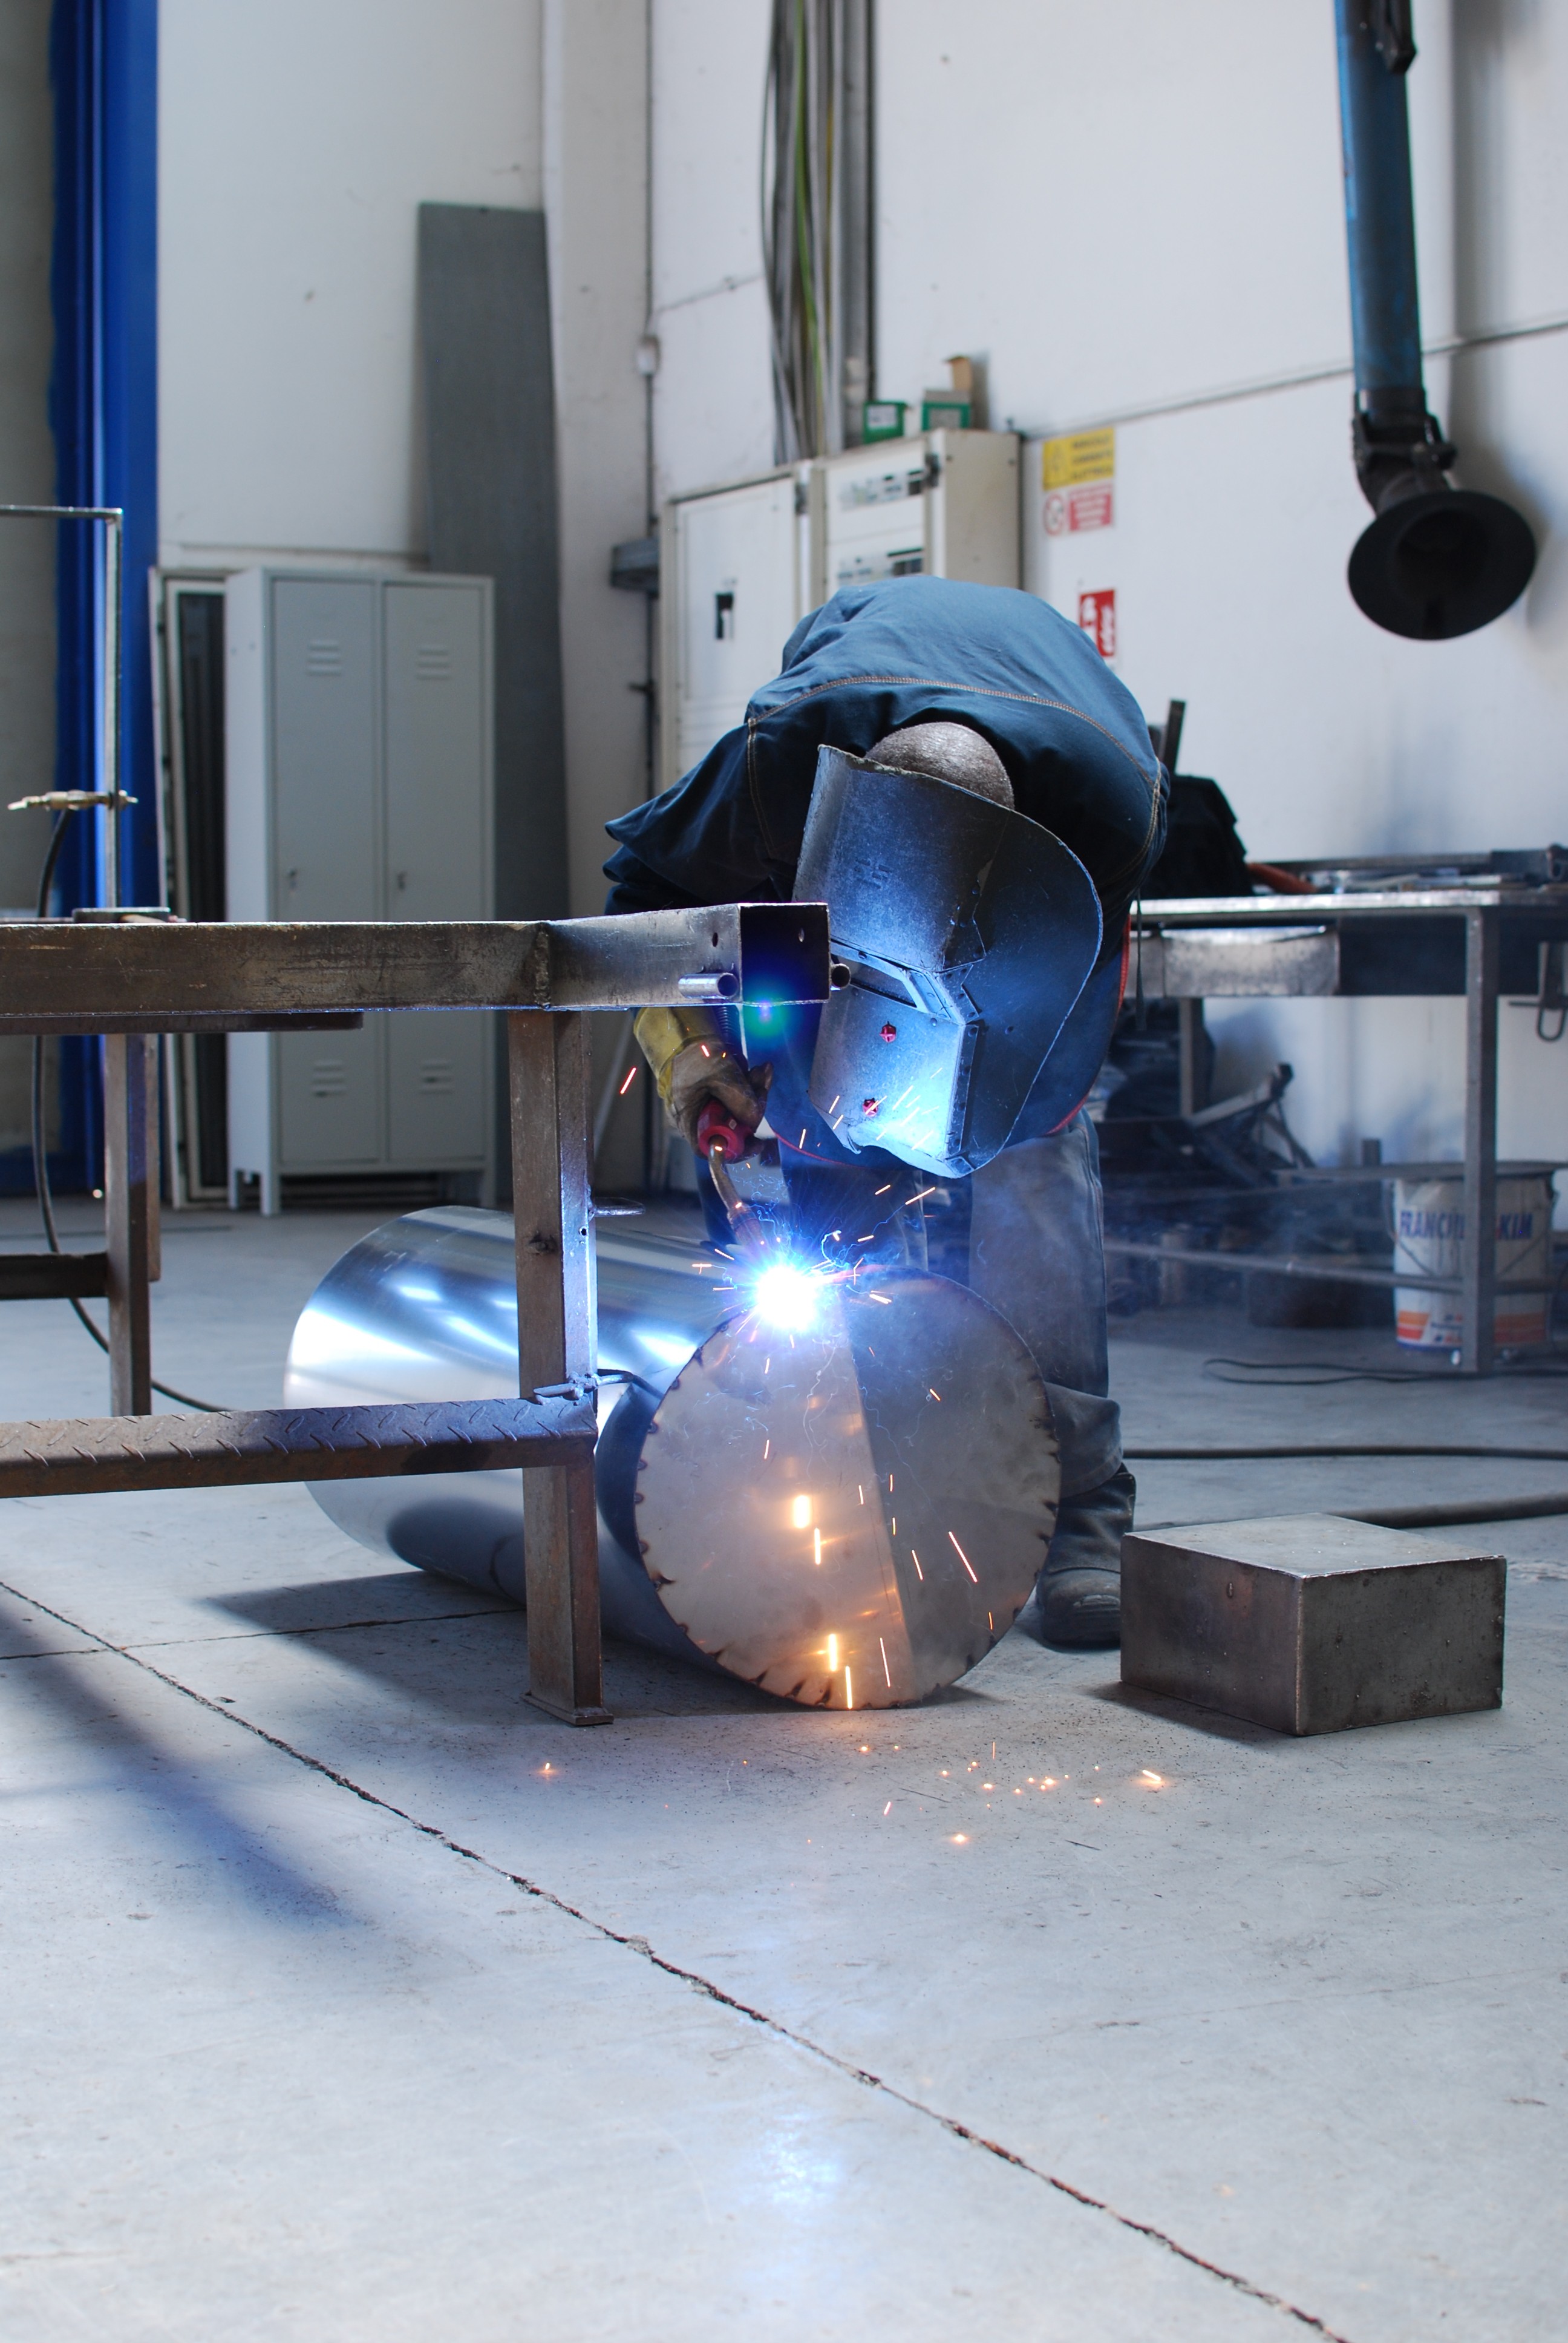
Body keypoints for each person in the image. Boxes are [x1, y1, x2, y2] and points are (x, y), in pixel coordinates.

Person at [604, 575, 1166, 1647]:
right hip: (830, 841)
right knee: (811, 1129)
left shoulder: (1109, 813)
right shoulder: (776, 765)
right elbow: (641, 905)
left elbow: (1047, 1088)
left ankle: (1085, 1516)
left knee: (1035, 1167)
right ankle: (840, 1464)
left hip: (1051, 813)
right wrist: (694, 1055)